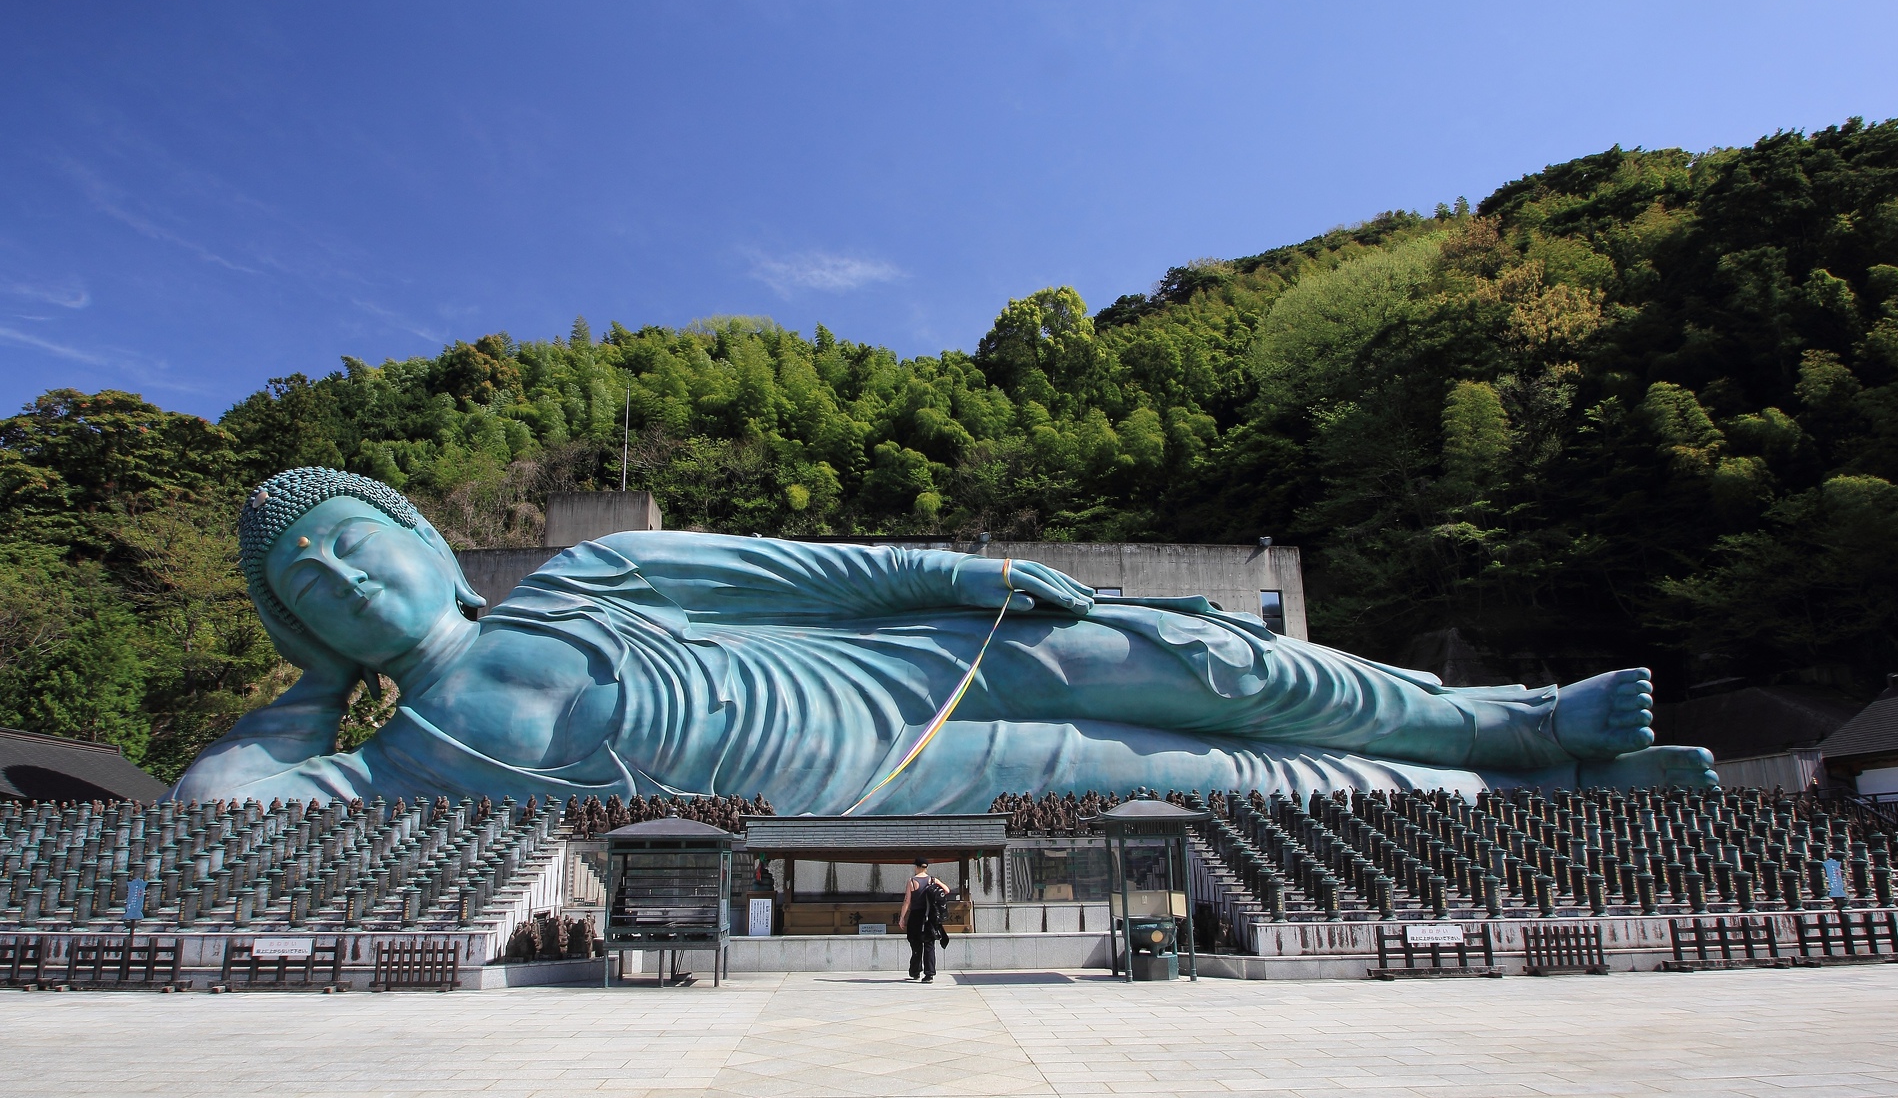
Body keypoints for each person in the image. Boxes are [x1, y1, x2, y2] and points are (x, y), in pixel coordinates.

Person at [167, 467, 1717, 807]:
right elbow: (217, 813)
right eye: (305, 580)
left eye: (355, 538)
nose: (342, 575)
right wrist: (304, 703)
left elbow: (811, 573)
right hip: (881, 789)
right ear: (295, 622)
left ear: (428, 542)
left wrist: (963, 575)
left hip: (902, 665)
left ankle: (1503, 715)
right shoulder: (384, 767)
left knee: (1203, 665)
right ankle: (1525, 795)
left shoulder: (599, 572)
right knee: (1219, 787)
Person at [897, 858, 949, 982]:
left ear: (917, 867)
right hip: (930, 916)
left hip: (916, 916)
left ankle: (915, 971)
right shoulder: (932, 880)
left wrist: (902, 918)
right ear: (926, 867)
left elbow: (907, 901)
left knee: (916, 944)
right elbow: (946, 890)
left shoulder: (912, 881)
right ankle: (929, 974)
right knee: (929, 945)